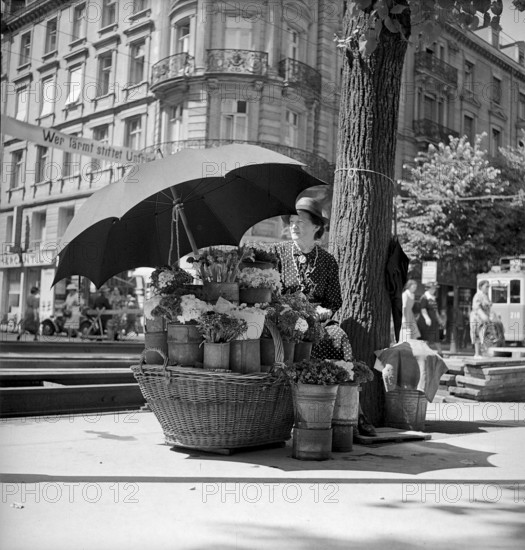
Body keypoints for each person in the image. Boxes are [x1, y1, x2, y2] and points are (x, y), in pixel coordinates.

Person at [275, 196, 376, 436]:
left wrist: (324, 312)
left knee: (339, 336)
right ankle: (283, 418)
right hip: (284, 323)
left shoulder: (328, 261)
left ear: (317, 227)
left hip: (318, 324)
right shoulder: (277, 254)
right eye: (292, 220)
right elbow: (271, 294)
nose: (294, 225)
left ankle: (352, 415)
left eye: (301, 221)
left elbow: (333, 301)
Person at [417, 282, 444, 354]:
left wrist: (439, 319)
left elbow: (436, 310)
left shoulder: (433, 298)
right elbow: (423, 309)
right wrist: (427, 318)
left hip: (434, 321)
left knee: (436, 337)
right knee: (426, 338)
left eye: (435, 288)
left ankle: (440, 352)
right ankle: (424, 353)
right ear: (428, 288)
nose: (434, 290)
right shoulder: (424, 297)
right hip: (426, 322)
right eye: (433, 288)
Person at [469, 279, 492, 357]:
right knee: (477, 335)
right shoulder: (478, 295)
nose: (488, 288)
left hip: (483, 320)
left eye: (489, 286)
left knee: (484, 336)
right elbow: (476, 307)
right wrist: (483, 316)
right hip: (477, 318)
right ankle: (477, 354)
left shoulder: (486, 296)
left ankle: (482, 353)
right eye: (486, 286)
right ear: (481, 287)